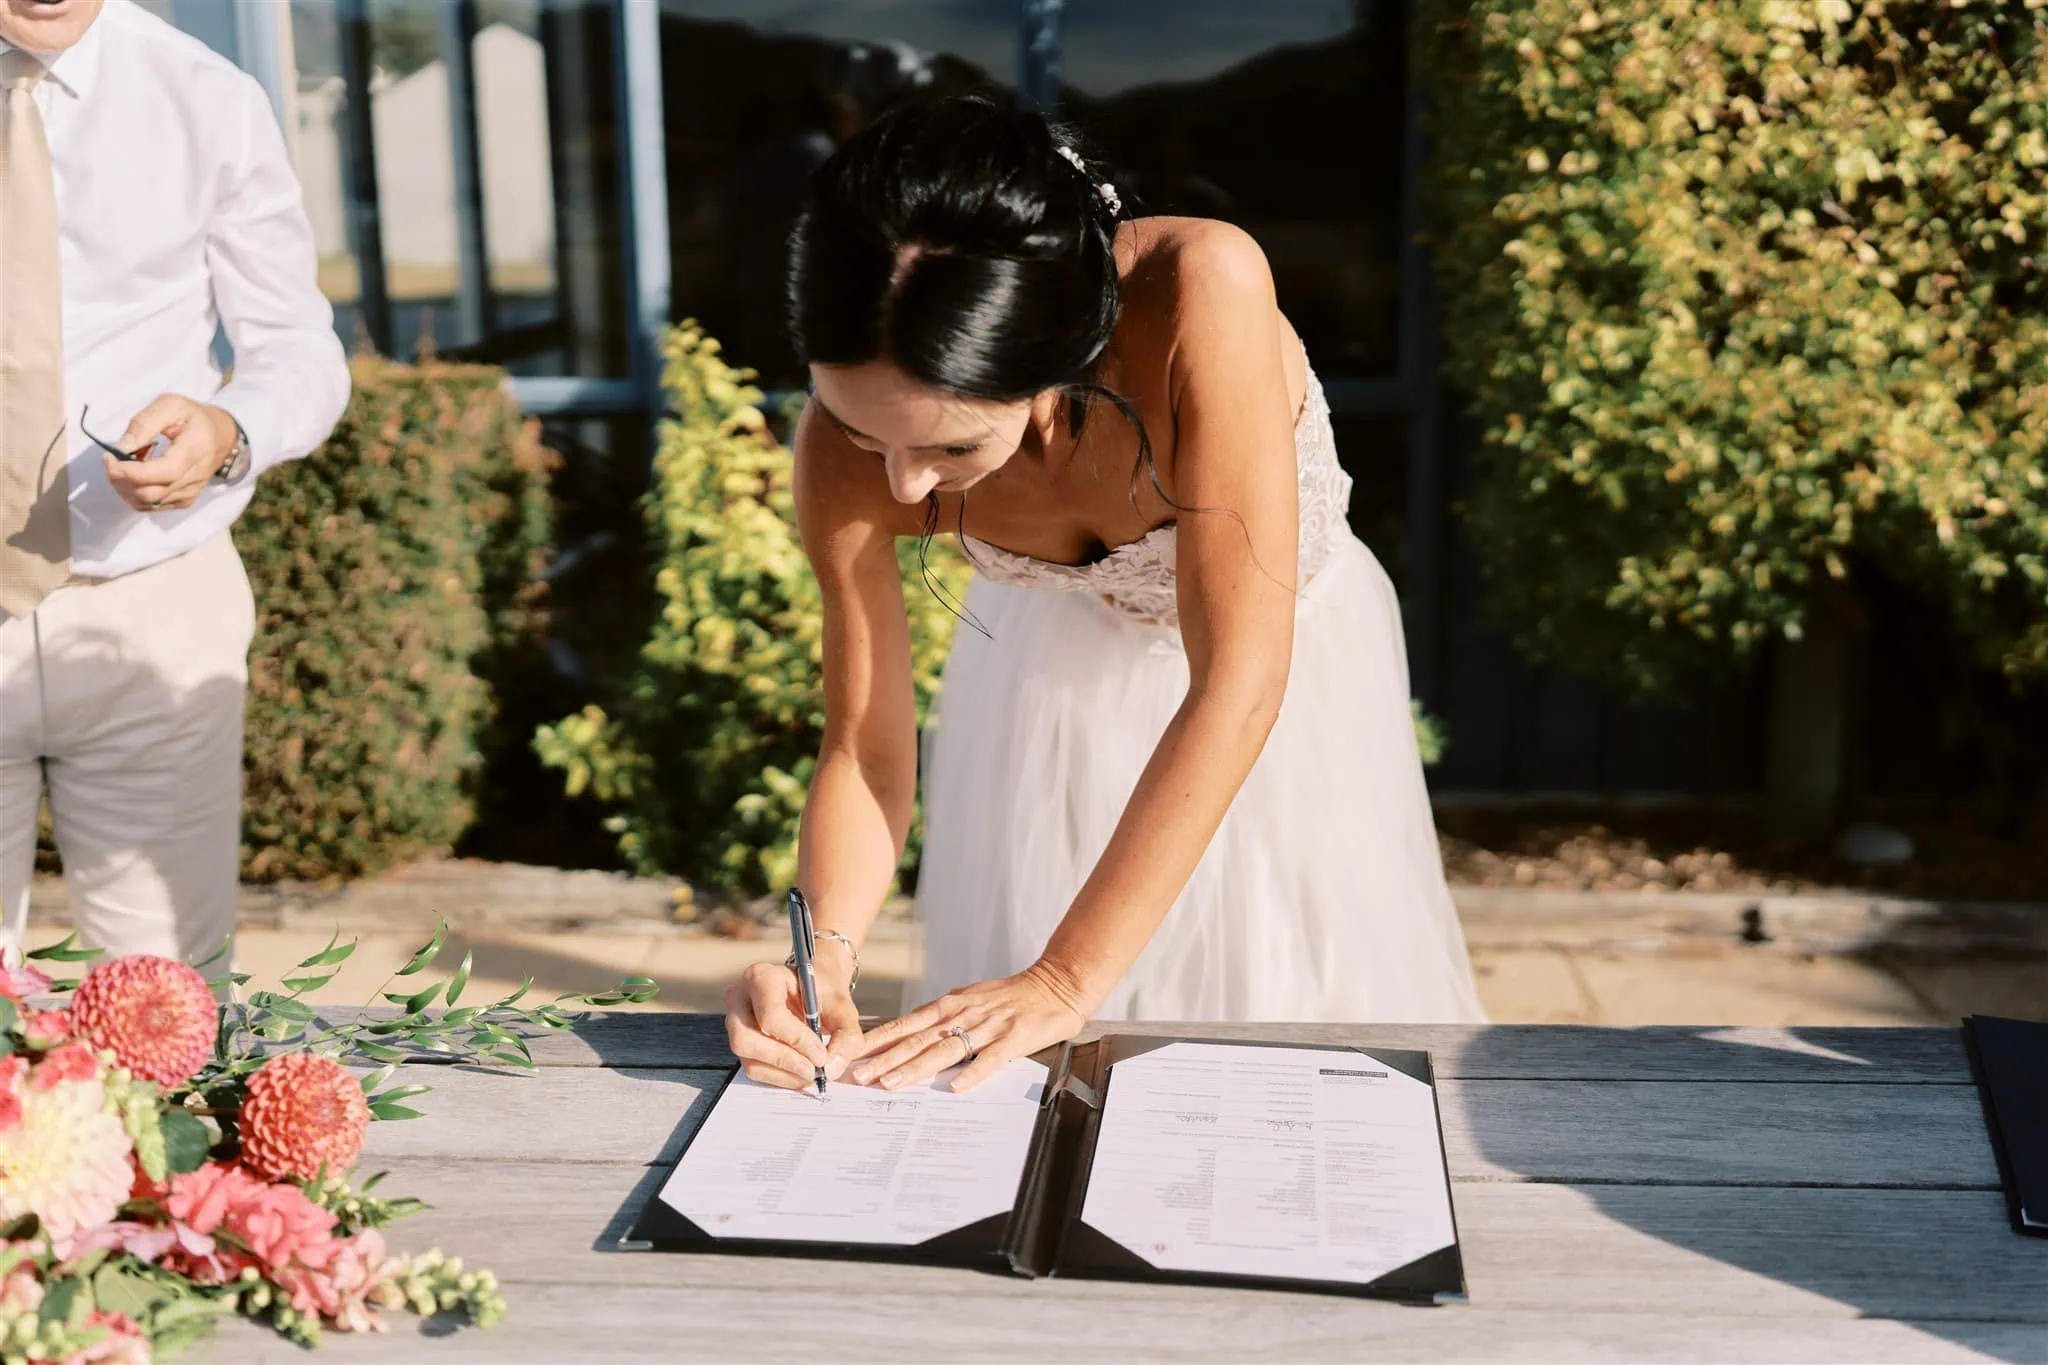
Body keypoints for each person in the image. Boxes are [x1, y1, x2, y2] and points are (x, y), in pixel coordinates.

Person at [723, 94, 1482, 1095]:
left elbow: (1238, 683)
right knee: (1028, 1087)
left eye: (950, 446)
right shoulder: (838, 452)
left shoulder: (1203, 290)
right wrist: (822, 956)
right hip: (1043, 693)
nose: (900, 487)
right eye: (866, 434)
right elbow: (864, 744)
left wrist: (1064, 974)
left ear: (1056, 352)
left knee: (1278, 1049)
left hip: (1277, 694)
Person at [0, 0, 349, 970]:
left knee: (165, 1015)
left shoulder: (206, 98)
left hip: (154, 616)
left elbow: (298, 353)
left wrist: (230, 432)